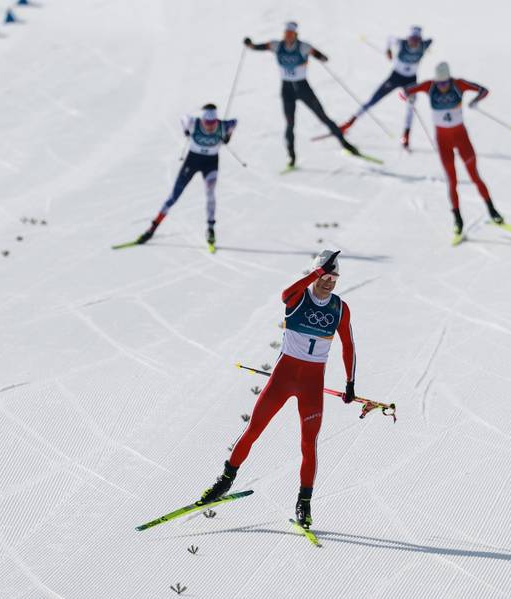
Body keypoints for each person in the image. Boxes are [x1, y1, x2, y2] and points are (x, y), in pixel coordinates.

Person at [198, 250, 358, 529]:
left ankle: (304, 504)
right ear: (314, 275)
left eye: (334, 278)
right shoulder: (298, 298)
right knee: (254, 430)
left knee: (309, 445)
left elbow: (349, 346)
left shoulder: (340, 309)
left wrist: (350, 383)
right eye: (324, 277)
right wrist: (314, 274)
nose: (329, 283)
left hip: (311, 385)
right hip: (283, 379)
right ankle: (224, 481)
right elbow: (285, 294)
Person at [404, 62, 504, 238]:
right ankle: (458, 220)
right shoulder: (430, 86)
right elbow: (406, 90)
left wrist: (475, 101)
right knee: (452, 180)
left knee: (474, 176)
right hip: (444, 142)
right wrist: (410, 98)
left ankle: (492, 211)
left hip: (461, 138)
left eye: (445, 83)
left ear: (450, 79)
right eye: (440, 84)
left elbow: (484, 90)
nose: (442, 87)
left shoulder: (458, 84)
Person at [244, 21, 360, 167]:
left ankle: (345, 144)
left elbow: (319, 55)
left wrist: (321, 57)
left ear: (295, 35)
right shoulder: (277, 45)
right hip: (287, 90)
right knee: (290, 124)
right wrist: (250, 45)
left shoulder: (303, 47)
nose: (287, 36)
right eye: (286, 33)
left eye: (290, 34)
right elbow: (257, 47)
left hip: (303, 88)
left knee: (323, 116)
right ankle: (291, 157)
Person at [136, 104, 237, 248]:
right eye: (207, 123)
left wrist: (228, 135)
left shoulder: (223, 125)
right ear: (202, 120)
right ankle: (152, 228)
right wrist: (186, 131)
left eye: (212, 123)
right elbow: (183, 118)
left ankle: (210, 229)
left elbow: (234, 122)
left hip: (211, 163)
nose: (209, 126)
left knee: (210, 193)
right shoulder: (194, 122)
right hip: (192, 161)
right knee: (174, 196)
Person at [339, 26, 432, 149]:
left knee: (411, 106)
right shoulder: (401, 43)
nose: (413, 42)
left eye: (416, 39)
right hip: (395, 77)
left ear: (420, 39)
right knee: (373, 100)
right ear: (408, 38)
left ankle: (406, 135)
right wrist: (388, 50)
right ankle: (349, 123)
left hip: (410, 80)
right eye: (412, 38)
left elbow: (431, 40)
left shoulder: (424, 45)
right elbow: (389, 38)